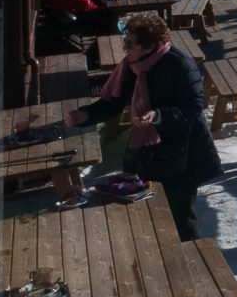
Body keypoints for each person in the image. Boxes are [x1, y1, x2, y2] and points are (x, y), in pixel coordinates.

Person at [67, 14, 222, 242]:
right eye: (125, 41)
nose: (125, 48)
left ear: (150, 45)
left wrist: (158, 116)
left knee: (180, 215)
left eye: (130, 43)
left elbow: (193, 107)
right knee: (150, 209)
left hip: (184, 153)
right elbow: (114, 101)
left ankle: (190, 261)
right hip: (151, 150)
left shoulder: (180, 65)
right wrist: (87, 114)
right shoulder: (134, 66)